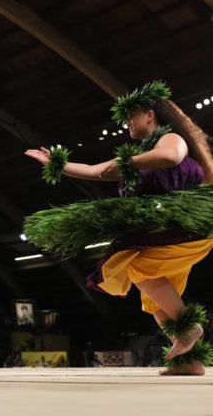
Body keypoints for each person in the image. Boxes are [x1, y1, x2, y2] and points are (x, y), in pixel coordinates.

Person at [24, 80, 213, 376]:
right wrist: (56, 164)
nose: (126, 124)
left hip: (181, 227)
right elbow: (95, 170)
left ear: (149, 115)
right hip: (162, 232)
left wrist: (127, 163)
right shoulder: (138, 156)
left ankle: (188, 329)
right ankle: (189, 360)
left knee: (138, 268)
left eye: (130, 117)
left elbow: (172, 157)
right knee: (153, 298)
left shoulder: (170, 138)